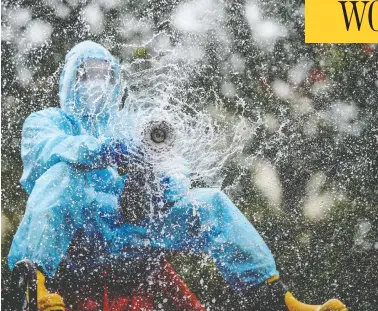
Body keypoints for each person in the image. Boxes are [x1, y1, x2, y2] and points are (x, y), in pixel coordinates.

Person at [8, 41, 347, 311]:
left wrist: (159, 189)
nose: (97, 83)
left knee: (211, 202)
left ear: (116, 81)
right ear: (69, 80)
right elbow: (52, 152)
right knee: (62, 175)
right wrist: (108, 151)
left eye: (106, 74)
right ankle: (33, 285)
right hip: (75, 236)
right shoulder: (46, 121)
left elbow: (176, 168)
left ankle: (275, 298)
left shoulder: (129, 123)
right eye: (87, 74)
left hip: (127, 233)